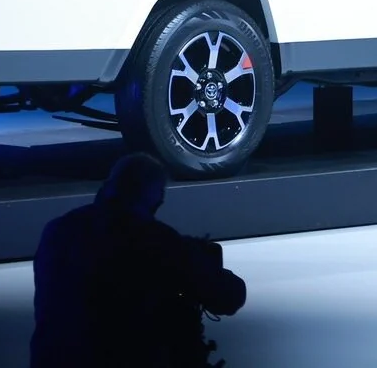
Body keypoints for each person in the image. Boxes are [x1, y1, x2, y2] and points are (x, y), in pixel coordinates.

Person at [30, 152, 247, 366]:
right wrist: (197, 259)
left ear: (108, 186)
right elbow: (230, 297)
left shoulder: (57, 230)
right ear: (156, 199)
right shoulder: (158, 241)